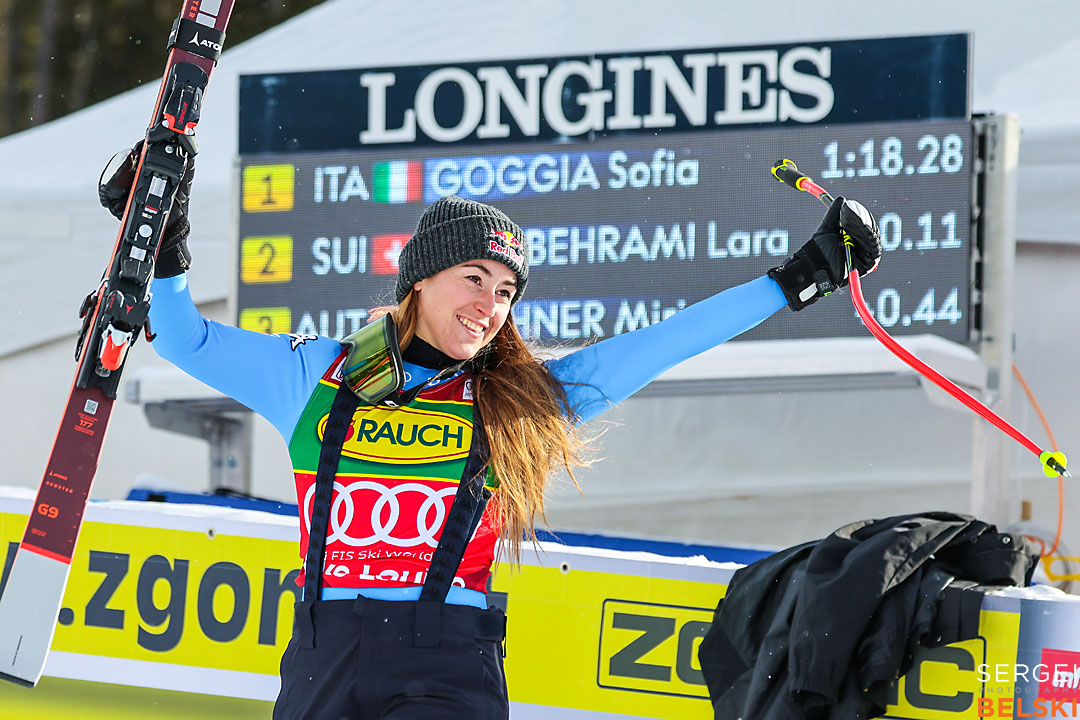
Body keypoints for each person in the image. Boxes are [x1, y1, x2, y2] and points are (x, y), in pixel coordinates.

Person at [100, 144, 881, 719]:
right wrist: (166, 241)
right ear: (419, 279)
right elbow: (187, 339)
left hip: (444, 660)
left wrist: (798, 277)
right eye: (474, 278)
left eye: (506, 291)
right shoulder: (317, 375)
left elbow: (661, 343)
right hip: (322, 652)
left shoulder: (518, 401)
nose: (489, 305)